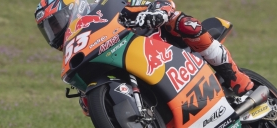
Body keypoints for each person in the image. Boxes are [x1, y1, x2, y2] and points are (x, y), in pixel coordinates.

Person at [35, 0, 254, 114]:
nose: (54, 32)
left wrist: (155, 12)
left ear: (75, 9)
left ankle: (237, 79)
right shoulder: (85, 44)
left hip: (166, 43)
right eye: (48, 29)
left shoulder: (105, 10)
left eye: (55, 23)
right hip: (147, 69)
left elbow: (160, 3)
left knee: (184, 23)